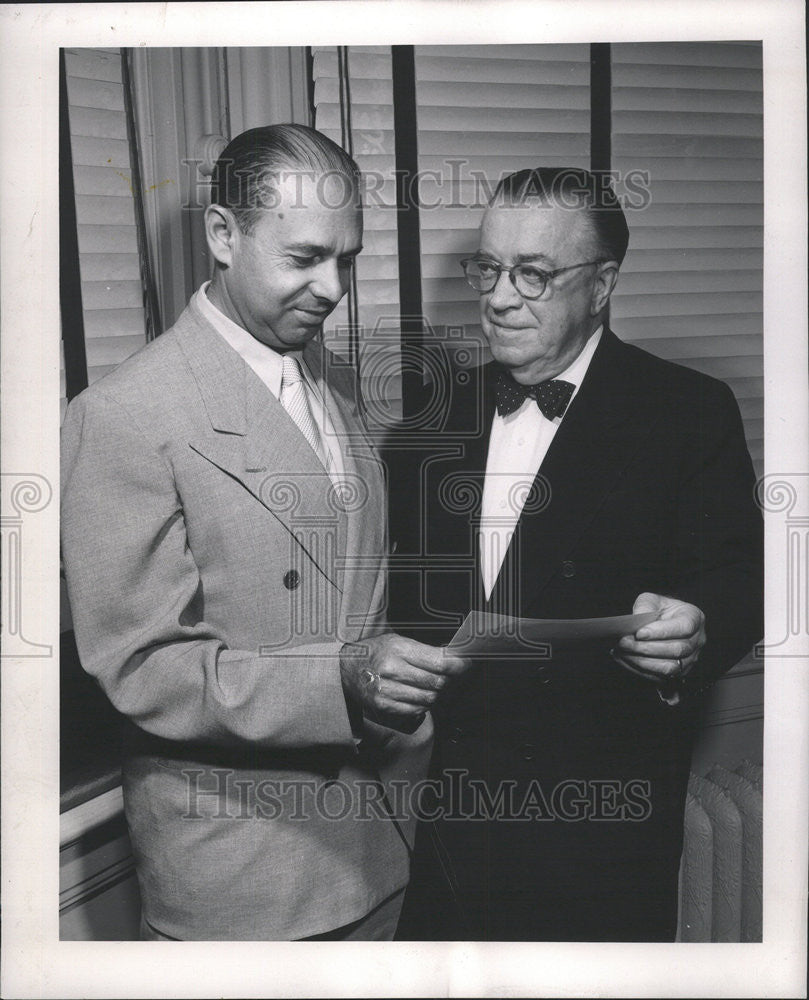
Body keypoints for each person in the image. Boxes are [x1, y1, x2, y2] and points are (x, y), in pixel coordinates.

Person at [61, 124, 469, 941]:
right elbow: (143, 669)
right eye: (303, 258)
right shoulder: (124, 416)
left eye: (345, 260)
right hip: (243, 877)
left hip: (377, 837)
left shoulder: (326, 379)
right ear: (222, 234)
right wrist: (343, 680)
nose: (332, 289)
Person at [388, 167, 763, 941]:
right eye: (486, 269)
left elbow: (737, 580)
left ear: (601, 285)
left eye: (532, 274)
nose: (496, 298)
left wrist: (694, 631)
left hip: (602, 836)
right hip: (452, 825)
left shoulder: (687, 410)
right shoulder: (430, 420)